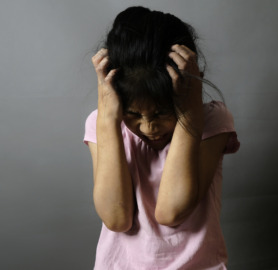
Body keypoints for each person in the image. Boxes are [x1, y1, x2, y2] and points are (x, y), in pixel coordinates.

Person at [83, 6, 240, 270]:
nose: (148, 127)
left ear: (190, 90)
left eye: (161, 113)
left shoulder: (211, 120)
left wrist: (189, 114)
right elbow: (116, 218)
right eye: (133, 114)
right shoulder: (104, 123)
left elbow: (171, 212)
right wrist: (108, 119)